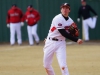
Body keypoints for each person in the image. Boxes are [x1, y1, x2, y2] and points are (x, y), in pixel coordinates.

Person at [43, 3, 83, 75]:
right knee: (46, 66)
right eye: (63, 8)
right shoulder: (57, 18)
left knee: (63, 66)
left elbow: (70, 33)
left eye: (67, 8)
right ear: (61, 10)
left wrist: (74, 33)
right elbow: (63, 33)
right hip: (50, 42)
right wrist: (76, 39)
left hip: (60, 44)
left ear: (69, 10)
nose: (65, 9)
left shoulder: (71, 21)